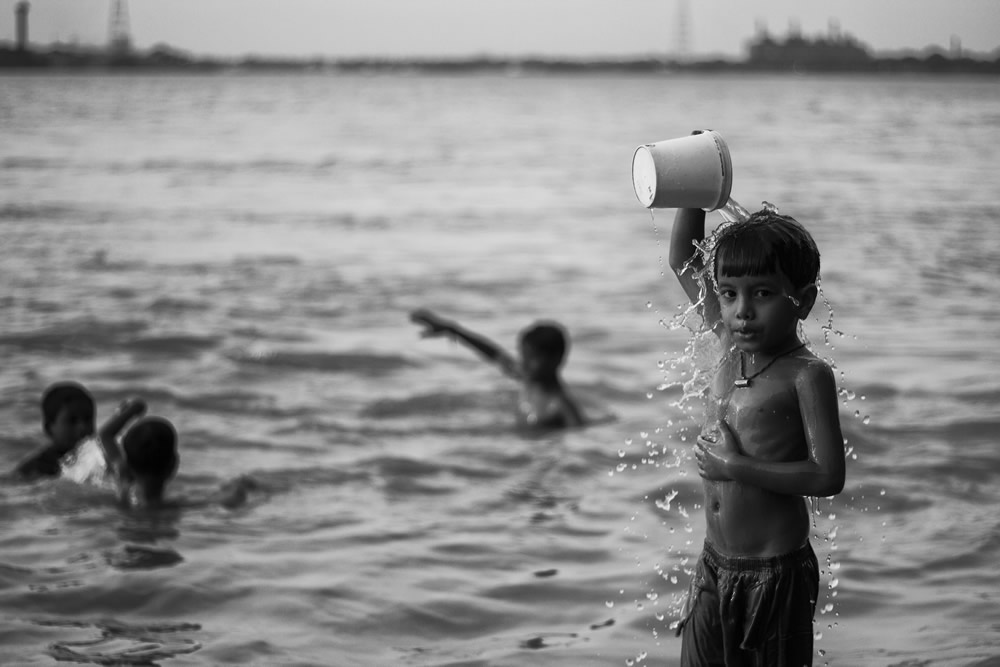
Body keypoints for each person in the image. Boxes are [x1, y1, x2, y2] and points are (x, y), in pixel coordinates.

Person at [667, 205, 846, 666]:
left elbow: (827, 476)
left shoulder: (806, 375)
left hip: (774, 571)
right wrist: (693, 188)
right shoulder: (728, 342)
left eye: (762, 293)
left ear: (802, 301)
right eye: (728, 294)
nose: (742, 312)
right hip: (714, 561)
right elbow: (681, 260)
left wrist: (735, 468)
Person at [409, 308, 585, 430]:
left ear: (556, 359)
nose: (523, 362)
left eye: (532, 359)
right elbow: (494, 354)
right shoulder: (527, 378)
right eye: (523, 355)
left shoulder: (560, 406)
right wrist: (453, 330)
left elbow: (579, 438)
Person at [95, 399, 254, 510]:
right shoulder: (176, 507)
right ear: (173, 465)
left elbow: (105, 436)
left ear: (126, 465)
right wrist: (240, 485)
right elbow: (230, 499)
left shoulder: (122, 490)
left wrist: (133, 409)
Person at [12, 381, 131, 480]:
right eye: (72, 421)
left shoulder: (99, 457)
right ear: (49, 428)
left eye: (88, 419)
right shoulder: (35, 470)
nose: (82, 427)